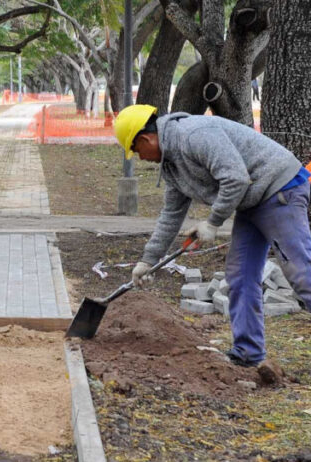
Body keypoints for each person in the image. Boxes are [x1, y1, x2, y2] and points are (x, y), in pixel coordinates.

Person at [114, 103, 311, 371]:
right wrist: (148, 260)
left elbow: (235, 178)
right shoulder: (172, 165)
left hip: (280, 188)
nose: (140, 157)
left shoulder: (194, 135)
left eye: (136, 150)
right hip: (251, 201)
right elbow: (171, 214)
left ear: (146, 138)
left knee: (302, 274)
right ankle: (248, 353)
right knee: (240, 275)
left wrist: (213, 222)